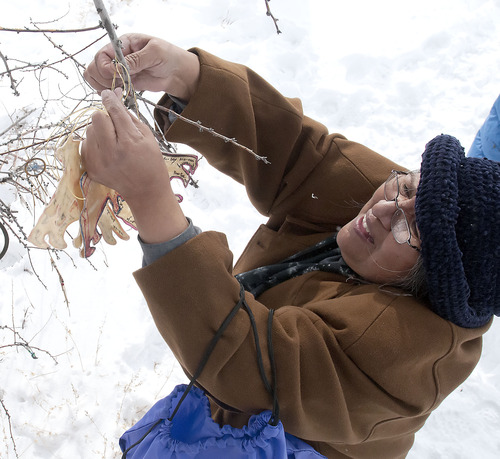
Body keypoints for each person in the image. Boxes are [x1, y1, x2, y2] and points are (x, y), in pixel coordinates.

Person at [82, 33, 500, 458]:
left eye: (409, 231)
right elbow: (302, 156)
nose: (383, 209)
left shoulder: (404, 352)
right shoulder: (406, 205)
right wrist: (187, 77)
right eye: (406, 185)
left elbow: (247, 363)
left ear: (432, 285)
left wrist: (153, 200)